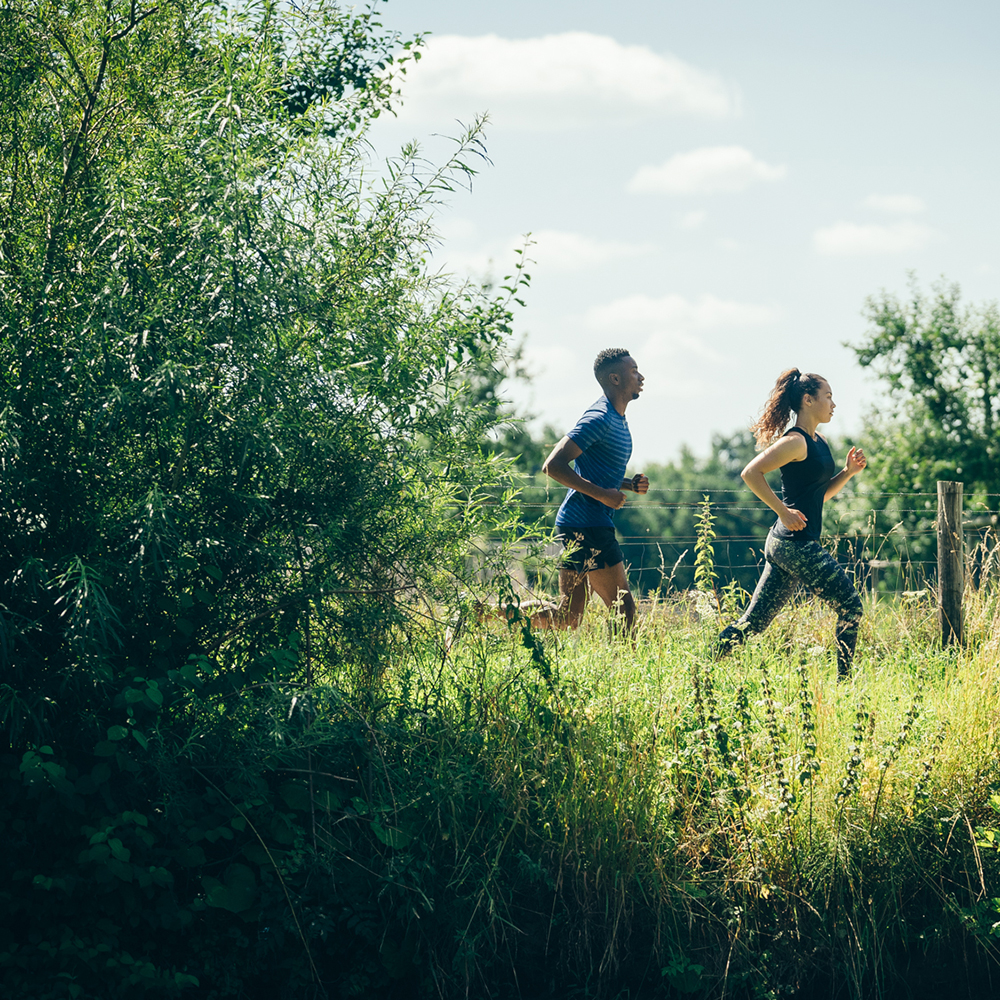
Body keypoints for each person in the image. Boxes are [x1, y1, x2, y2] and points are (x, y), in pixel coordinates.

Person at [717, 369, 867, 678]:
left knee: (754, 623)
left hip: (789, 543)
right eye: (828, 396)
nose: (834, 404)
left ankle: (708, 664)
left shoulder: (819, 441)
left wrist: (848, 472)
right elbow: (750, 473)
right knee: (851, 607)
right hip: (793, 543)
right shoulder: (795, 442)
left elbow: (819, 495)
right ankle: (845, 684)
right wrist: (783, 511)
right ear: (808, 400)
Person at [530, 347, 649, 633]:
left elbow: (596, 470)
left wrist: (626, 485)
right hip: (588, 524)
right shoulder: (598, 418)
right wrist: (602, 495)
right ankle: (623, 673)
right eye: (633, 371)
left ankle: (482, 614)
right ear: (615, 379)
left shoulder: (617, 419)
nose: (641, 376)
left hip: (578, 523)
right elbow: (553, 465)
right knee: (624, 610)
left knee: (568, 618)